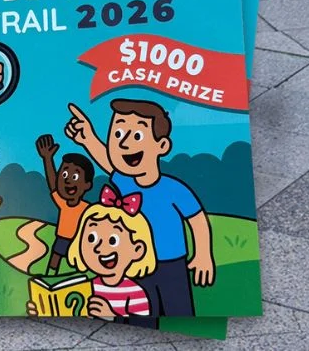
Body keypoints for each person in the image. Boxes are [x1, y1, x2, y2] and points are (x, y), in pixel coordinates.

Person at [66, 99, 213, 318]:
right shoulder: (124, 181)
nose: (124, 143)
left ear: (162, 146)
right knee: (141, 314)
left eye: (136, 136)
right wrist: (88, 138)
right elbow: (110, 162)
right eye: (117, 134)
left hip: (171, 264)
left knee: (179, 311)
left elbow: (197, 218)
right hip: (136, 263)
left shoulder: (174, 189)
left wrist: (202, 254)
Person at [28, 189, 157, 319]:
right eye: (91, 238)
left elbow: (144, 323)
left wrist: (112, 316)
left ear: (137, 250)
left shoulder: (135, 292)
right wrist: (42, 309)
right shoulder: (87, 287)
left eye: (113, 240)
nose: (100, 247)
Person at [35, 133, 94, 275]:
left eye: (75, 176)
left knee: (80, 263)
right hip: (62, 238)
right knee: (55, 259)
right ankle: (50, 276)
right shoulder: (64, 203)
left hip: (79, 240)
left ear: (87, 185)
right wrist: (48, 159)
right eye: (64, 174)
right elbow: (53, 185)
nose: (68, 181)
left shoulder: (88, 208)